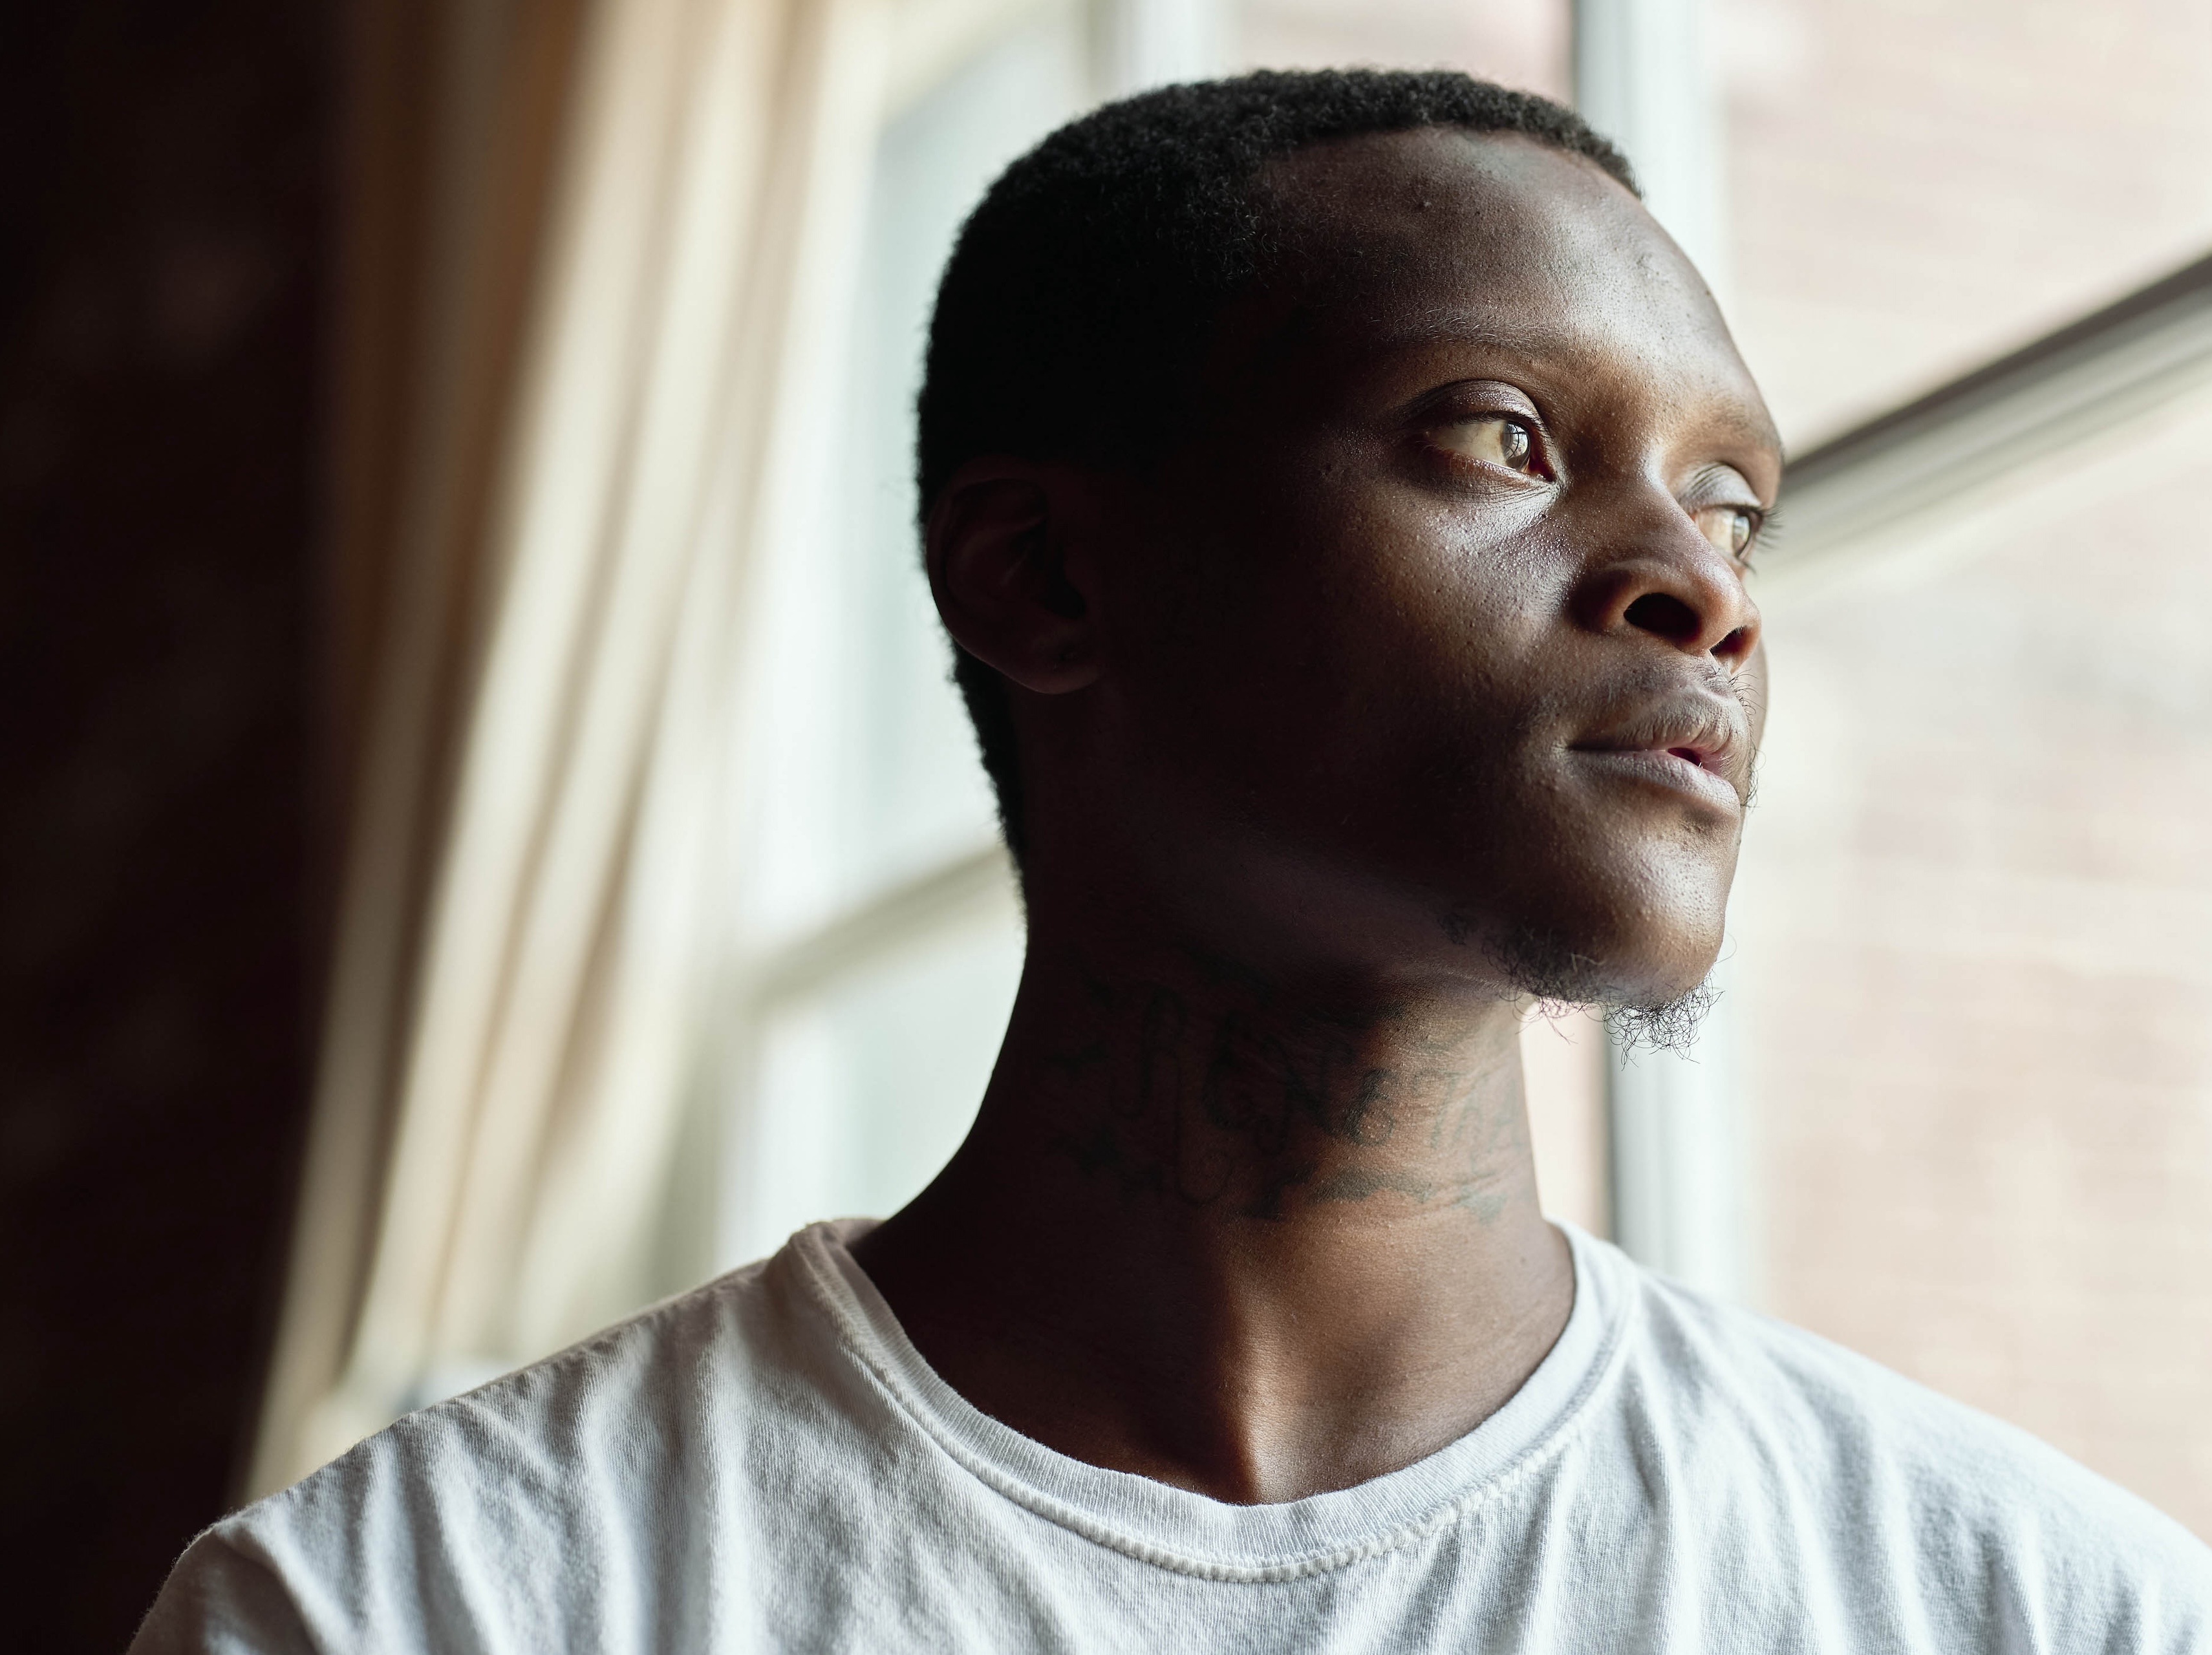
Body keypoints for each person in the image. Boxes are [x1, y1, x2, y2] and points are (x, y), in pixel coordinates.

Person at [133, 69, 2212, 1652]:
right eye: (1501, 432)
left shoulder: (2040, 1606)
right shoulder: (422, 1608)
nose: (1701, 589)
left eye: (1738, 505)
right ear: (1045, 580)